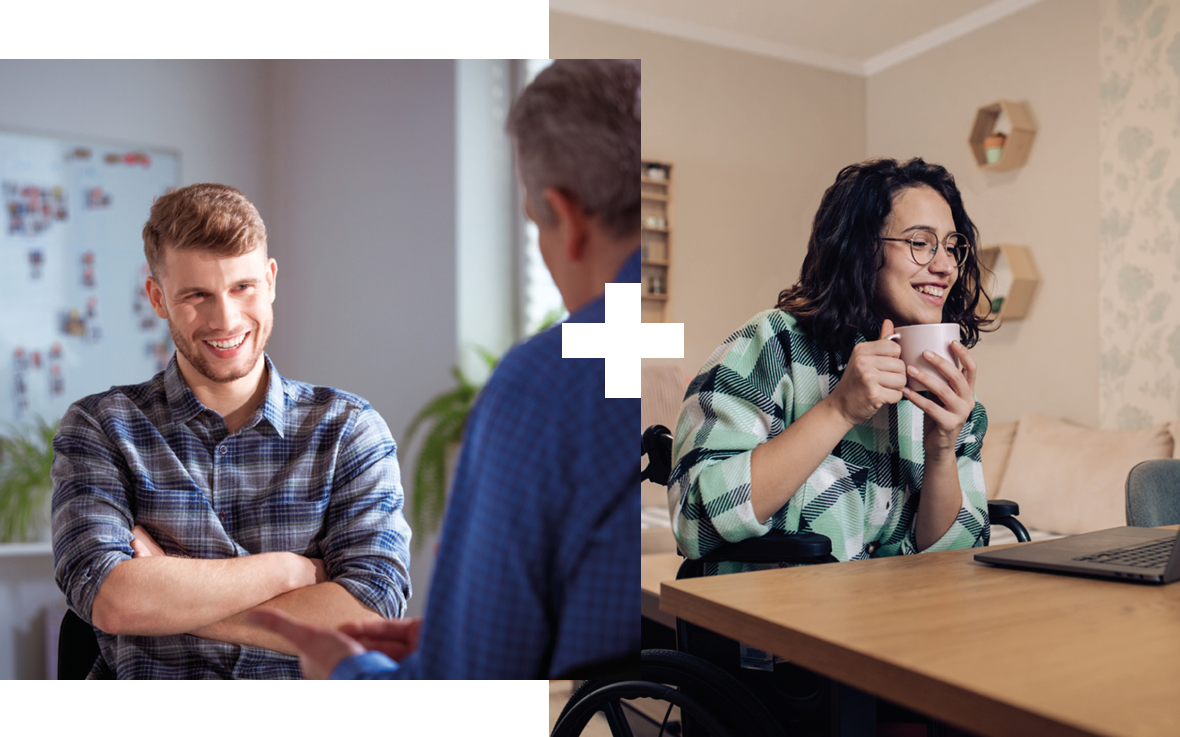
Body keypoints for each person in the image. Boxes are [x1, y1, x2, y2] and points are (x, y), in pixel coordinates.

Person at [251, 59, 641, 680]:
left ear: (564, 220)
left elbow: (465, 685)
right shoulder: (676, 351)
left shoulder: (540, 387)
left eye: (534, 221)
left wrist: (346, 674)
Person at [50, 183, 411, 679]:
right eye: (197, 294)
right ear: (157, 297)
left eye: (243, 287)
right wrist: (287, 572)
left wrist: (170, 605)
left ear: (270, 281)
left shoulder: (349, 430)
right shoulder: (102, 427)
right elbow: (109, 597)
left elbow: (371, 609)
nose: (225, 319)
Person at [669, 158, 993, 573]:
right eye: (920, 242)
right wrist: (839, 409)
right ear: (860, 248)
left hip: (896, 627)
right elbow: (693, 523)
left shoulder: (947, 384)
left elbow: (957, 564)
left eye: (951, 246)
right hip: (772, 627)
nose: (946, 265)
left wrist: (943, 450)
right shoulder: (774, 344)